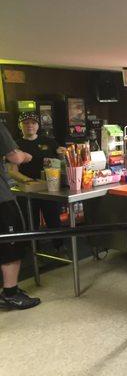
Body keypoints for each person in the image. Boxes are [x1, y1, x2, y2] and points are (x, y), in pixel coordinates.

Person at [8, 112, 66, 253]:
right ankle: (33, 251)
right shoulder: (15, 145)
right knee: (30, 222)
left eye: (33, 123)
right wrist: (27, 181)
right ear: (20, 125)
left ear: (38, 125)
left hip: (49, 188)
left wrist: (63, 154)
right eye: (26, 123)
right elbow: (12, 171)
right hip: (28, 190)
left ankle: (59, 247)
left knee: (54, 220)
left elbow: (62, 161)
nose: (30, 126)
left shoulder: (49, 142)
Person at [0, 121, 41, 309]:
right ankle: (10, 292)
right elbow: (15, 157)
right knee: (11, 243)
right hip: (2, 199)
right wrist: (25, 156)